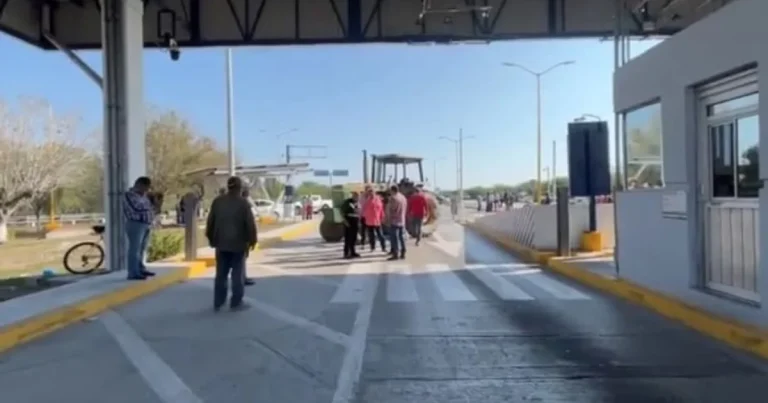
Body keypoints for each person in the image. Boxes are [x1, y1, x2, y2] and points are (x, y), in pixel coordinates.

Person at [206, 176, 257, 312]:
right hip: (238, 244)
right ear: (240, 188)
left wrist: (211, 238)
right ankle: (236, 302)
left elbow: (210, 222)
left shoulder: (217, 202)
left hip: (221, 244)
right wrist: (252, 240)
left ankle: (218, 302)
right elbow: (250, 224)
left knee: (221, 274)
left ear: (228, 187)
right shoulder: (243, 203)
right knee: (237, 275)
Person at [123, 176, 156, 280]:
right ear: (139, 184)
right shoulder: (129, 195)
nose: (146, 190)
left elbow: (151, 208)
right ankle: (133, 272)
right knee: (135, 249)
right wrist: (149, 208)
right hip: (135, 223)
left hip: (146, 224)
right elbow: (136, 208)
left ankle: (141, 268)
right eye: (145, 187)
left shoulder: (144, 196)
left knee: (142, 248)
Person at [240, 188, 257, 287]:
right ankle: (242, 278)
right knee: (241, 260)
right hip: (241, 239)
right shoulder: (245, 206)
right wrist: (253, 239)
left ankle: (241, 277)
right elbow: (250, 224)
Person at [362, 187, 386, 252]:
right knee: (371, 235)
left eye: (372, 192)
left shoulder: (378, 199)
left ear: (374, 192)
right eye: (369, 192)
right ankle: (372, 247)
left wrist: (382, 217)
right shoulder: (367, 200)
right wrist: (365, 217)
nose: (371, 193)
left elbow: (381, 209)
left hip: (377, 220)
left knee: (380, 234)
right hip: (369, 221)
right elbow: (364, 209)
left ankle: (383, 247)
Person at [386, 184, 407, 261]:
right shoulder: (403, 197)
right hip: (402, 220)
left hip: (394, 220)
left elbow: (391, 209)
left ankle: (395, 254)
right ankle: (403, 252)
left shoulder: (393, 198)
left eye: (390, 191)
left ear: (392, 190)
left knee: (394, 238)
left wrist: (388, 219)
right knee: (402, 237)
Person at [340, 191, 361, 259]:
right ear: (352, 196)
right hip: (349, 221)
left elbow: (358, 212)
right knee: (348, 238)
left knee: (354, 238)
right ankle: (346, 253)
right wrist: (345, 221)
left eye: (357, 196)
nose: (356, 197)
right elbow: (342, 212)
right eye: (355, 195)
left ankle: (353, 252)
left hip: (355, 221)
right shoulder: (348, 202)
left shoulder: (358, 203)